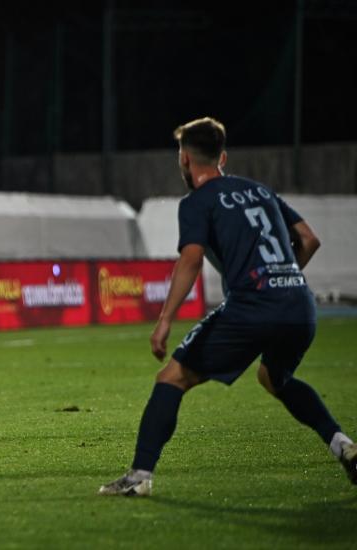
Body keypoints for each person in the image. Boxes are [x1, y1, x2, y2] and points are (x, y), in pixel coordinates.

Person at [99, 117, 356, 496]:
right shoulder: (261, 191)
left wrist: (165, 321)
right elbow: (308, 238)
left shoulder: (197, 202)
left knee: (171, 378)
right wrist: (282, 277)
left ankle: (138, 477)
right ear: (223, 157)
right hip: (299, 305)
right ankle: (343, 445)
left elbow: (190, 260)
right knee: (274, 378)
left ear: (185, 159)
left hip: (253, 307)